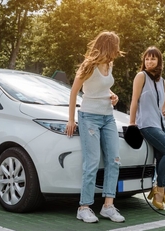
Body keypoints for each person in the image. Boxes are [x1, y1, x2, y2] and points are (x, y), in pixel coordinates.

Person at [66, 31, 125, 223]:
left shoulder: (109, 64)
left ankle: (108, 206)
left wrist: (112, 95)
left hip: (108, 117)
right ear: (109, 45)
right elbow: (74, 92)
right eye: (115, 45)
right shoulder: (88, 65)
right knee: (92, 162)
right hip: (89, 117)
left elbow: (101, 87)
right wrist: (71, 119)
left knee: (114, 161)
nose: (118, 50)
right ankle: (84, 207)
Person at [129, 46, 165, 211]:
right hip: (146, 124)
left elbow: (163, 103)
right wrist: (132, 123)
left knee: (162, 160)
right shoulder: (140, 76)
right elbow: (134, 100)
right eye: (147, 59)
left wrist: (162, 110)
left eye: (153, 59)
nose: (149, 61)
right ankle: (160, 190)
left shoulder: (162, 81)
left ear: (159, 61)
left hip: (160, 124)